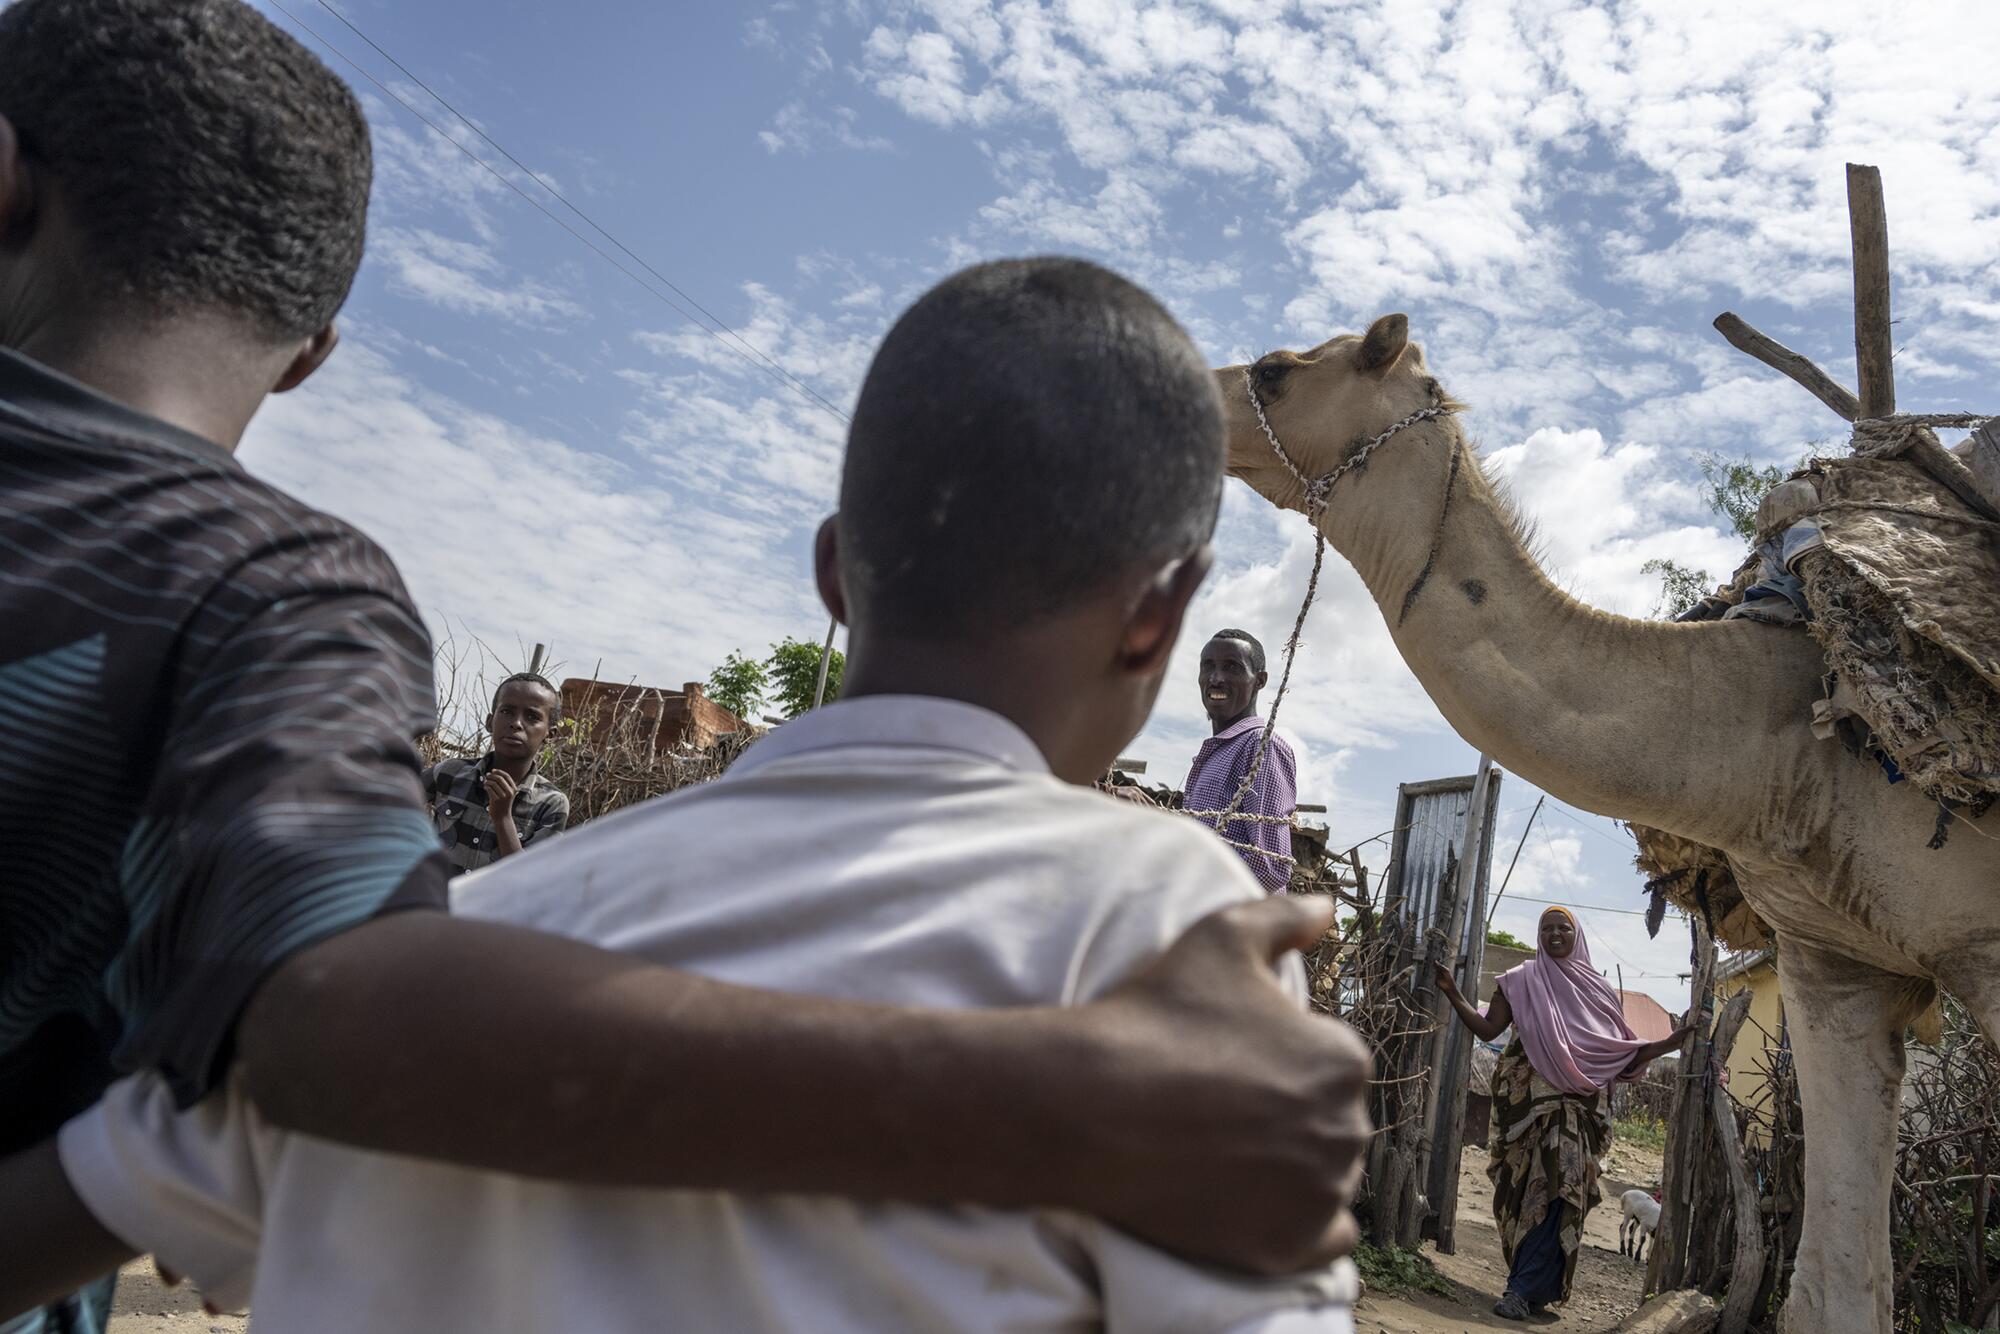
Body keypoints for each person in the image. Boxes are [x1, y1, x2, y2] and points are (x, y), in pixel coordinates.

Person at [0, 1, 1369, 1323]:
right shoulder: (1163, 941)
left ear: (835, 574)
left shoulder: (459, 945)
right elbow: (319, 1026)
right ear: (1162, 618)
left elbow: (144, 1162)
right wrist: (1078, 1094)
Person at [1435, 907, 1691, 1321]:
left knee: (1561, 1195)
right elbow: (1488, 1030)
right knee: (1524, 1192)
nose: (1554, 934)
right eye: (1546, 928)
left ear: (1577, 934)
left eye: (1563, 927)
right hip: (1528, 1115)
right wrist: (1452, 992)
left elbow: (1622, 1056)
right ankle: (1529, 1285)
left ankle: (1524, 1290)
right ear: (1539, 936)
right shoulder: (1521, 980)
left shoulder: (1600, 992)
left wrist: (1669, 1043)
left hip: (1575, 1116)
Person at [1183, 629, 1298, 892]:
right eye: (1208, 666)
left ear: (1259, 680)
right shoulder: (1217, 752)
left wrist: (1188, 892)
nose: (1216, 678)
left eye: (1232, 667)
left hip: (1231, 927)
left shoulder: (1260, 747)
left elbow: (1270, 868)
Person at [425, 673, 570, 874]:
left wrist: (503, 818)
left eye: (532, 716)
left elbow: (528, 878)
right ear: (490, 722)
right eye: (507, 711)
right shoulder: (450, 772)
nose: (516, 724)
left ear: (550, 734)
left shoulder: (551, 803)